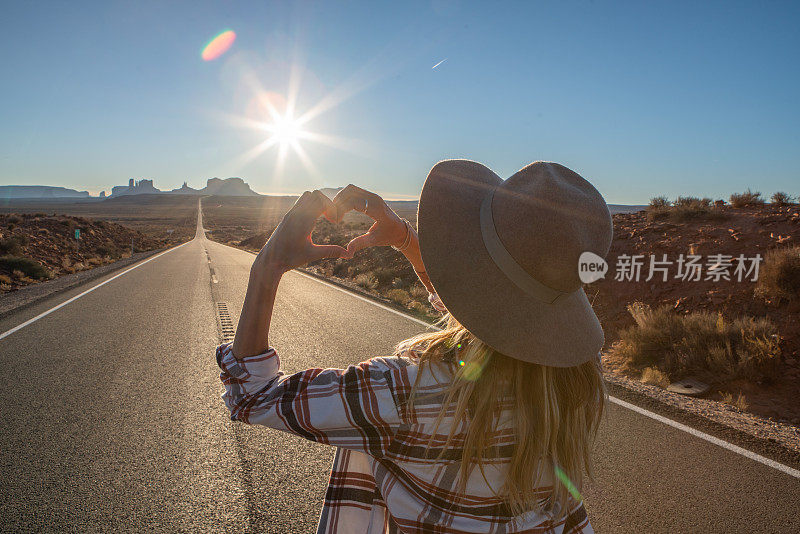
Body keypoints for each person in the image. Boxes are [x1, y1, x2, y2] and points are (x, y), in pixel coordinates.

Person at [217, 159, 613, 533]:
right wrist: (405, 240)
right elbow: (486, 318)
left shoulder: (403, 393)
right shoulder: (576, 382)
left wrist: (268, 265)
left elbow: (251, 394)